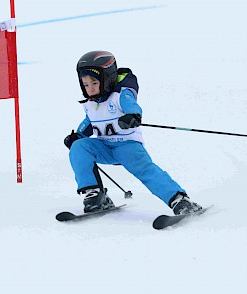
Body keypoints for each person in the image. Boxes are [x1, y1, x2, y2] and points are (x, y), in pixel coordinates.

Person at [64, 50, 202, 215]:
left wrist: (132, 116)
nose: (90, 89)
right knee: (79, 147)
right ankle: (95, 196)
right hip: (105, 147)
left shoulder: (120, 93)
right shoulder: (91, 103)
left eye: (94, 83)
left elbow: (131, 104)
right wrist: (77, 136)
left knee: (146, 171)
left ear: (106, 79)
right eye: (86, 85)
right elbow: (89, 122)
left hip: (127, 147)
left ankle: (179, 200)